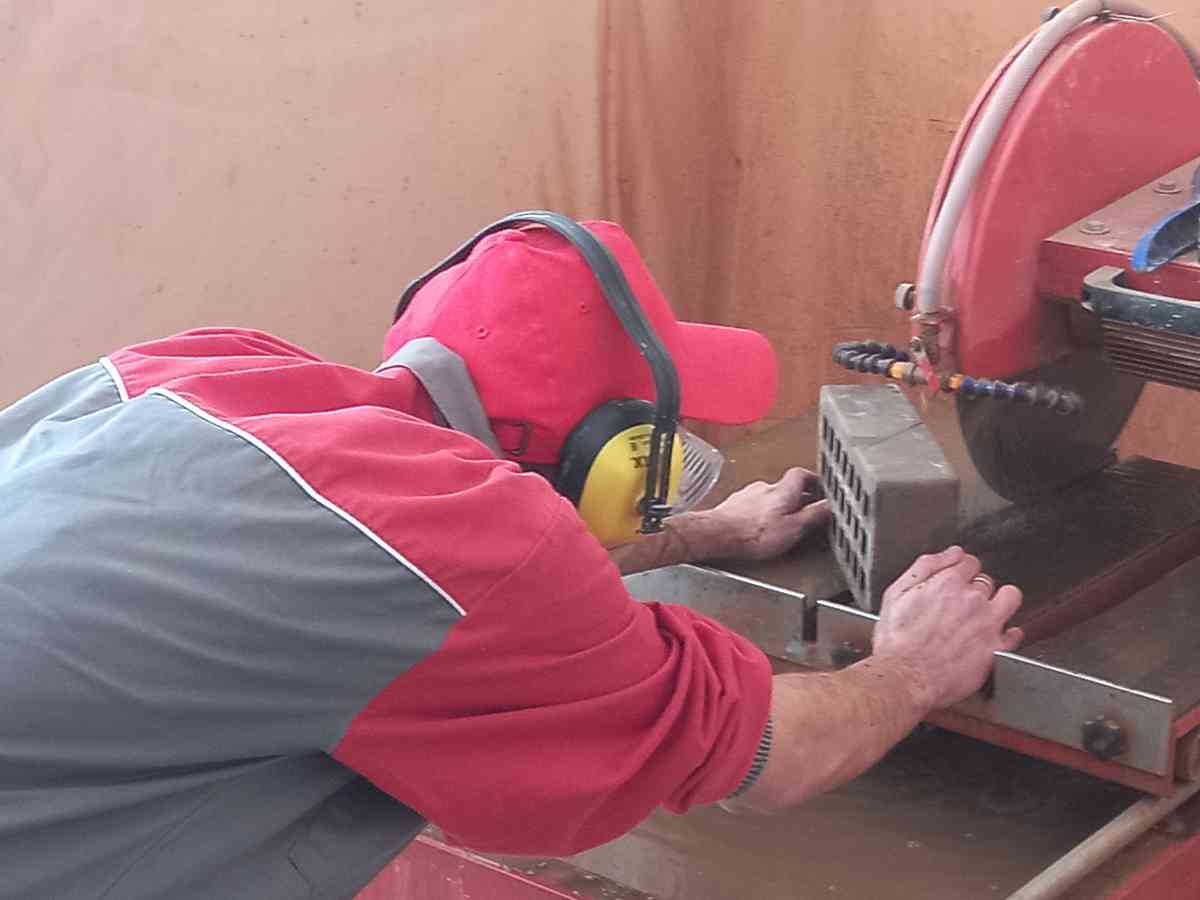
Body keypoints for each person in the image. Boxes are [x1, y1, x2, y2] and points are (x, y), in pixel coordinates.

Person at [0, 214, 1022, 900]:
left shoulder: (201, 369)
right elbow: (768, 755)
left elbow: (423, 577)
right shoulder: (481, 546)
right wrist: (913, 667)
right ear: (608, 453)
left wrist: (706, 532)